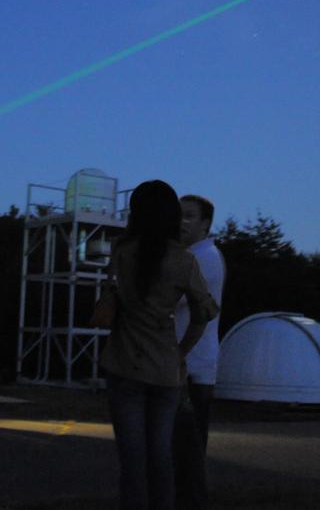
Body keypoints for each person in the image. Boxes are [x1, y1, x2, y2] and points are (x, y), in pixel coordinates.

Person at [100, 180, 217, 510]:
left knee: (132, 461)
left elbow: (110, 299)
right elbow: (203, 313)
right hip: (166, 369)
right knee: (161, 457)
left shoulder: (122, 251)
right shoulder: (184, 261)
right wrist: (181, 351)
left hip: (125, 364)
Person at [172, 194, 226, 510]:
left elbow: (170, 297)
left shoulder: (203, 258)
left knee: (187, 456)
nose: (181, 221)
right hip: (188, 364)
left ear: (206, 224)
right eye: (178, 214)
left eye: (189, 216)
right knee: (183, 454)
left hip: (192, 367)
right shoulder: (193, 255)